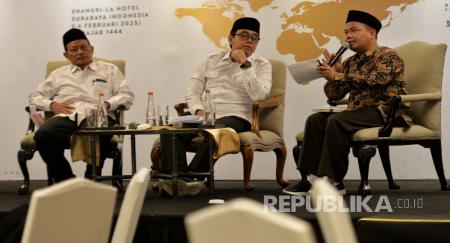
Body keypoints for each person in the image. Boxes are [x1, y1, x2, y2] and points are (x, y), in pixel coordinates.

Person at [283, 10, 412, 195]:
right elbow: (334, 95)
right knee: (316, 120)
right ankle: (310, 179)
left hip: (387, 112)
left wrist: (338, 75)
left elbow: (376, 80)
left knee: (337, 121)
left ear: (372, 33)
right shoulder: (351, 62)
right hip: (359, 113)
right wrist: (333, 75)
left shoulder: (388, 55)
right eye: (346, 32)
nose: (348, 36)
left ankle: (334, 181)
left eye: (353, 30)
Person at [158, 17, 272, 195]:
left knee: (216, 131)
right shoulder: (211, 60)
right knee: (169, 129)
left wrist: (245, 64)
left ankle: (191, 179)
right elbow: (192, 90)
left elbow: (259, 95)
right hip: (205, 114)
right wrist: (198, 110)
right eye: (244, 35)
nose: (249, 40)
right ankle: (176, 178)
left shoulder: (261, 65)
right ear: (230, 38)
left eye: (254, 37)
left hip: (237, 116)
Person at [29, 28, 134, 184]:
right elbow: (34, 97)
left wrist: (107, 103)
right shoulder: (58, 74)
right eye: (73, 49)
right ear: (66, 55)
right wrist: (52, 105)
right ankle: (67, 181)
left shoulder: (110, 70)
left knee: (103, 132)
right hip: (67, 115)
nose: (79, 52)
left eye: (83, 47)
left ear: (91, 49)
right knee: (43, 135)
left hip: (99, 115)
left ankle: (91, 179)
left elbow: (127, 95)